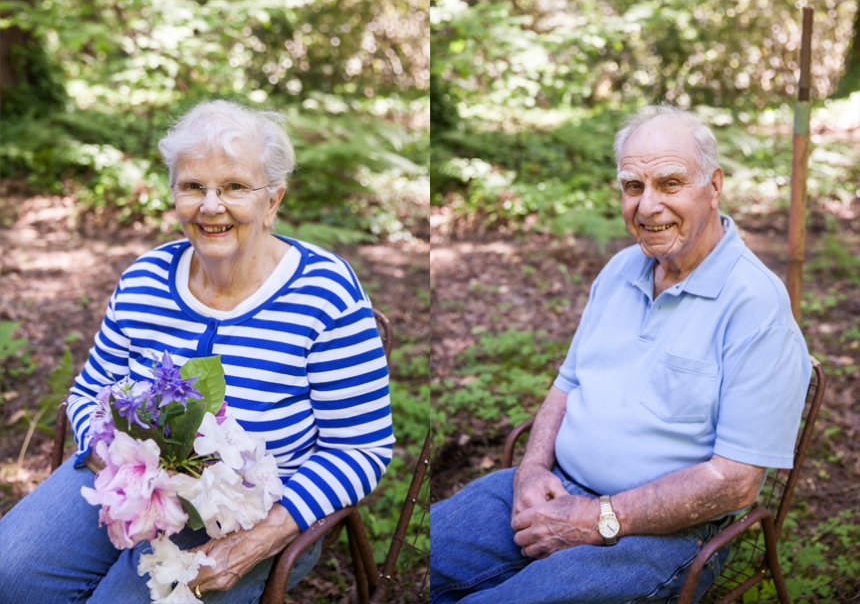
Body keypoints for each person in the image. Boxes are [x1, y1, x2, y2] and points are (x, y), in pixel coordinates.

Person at [0, 100, 395, 604]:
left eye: (234, 187)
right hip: (131, 486)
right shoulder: (145, 279)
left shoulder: (325, 294)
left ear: (273, 200)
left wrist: (257, 540)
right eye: (193, 187)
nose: (211, 206)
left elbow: (360, 448)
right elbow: (87, 393)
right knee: (10, 573)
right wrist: (111, 454)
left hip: (251, 511)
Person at [430, 105, 811, 604]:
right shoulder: (619, 271)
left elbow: (736, 482)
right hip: (553, 488)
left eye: (670, 184)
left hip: (663, 533)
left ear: (714, 186)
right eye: (634, 187)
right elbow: (565, 387)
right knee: (430, 555)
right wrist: (531, 471)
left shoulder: (755, 304)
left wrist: (600, 517)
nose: (648, 206)